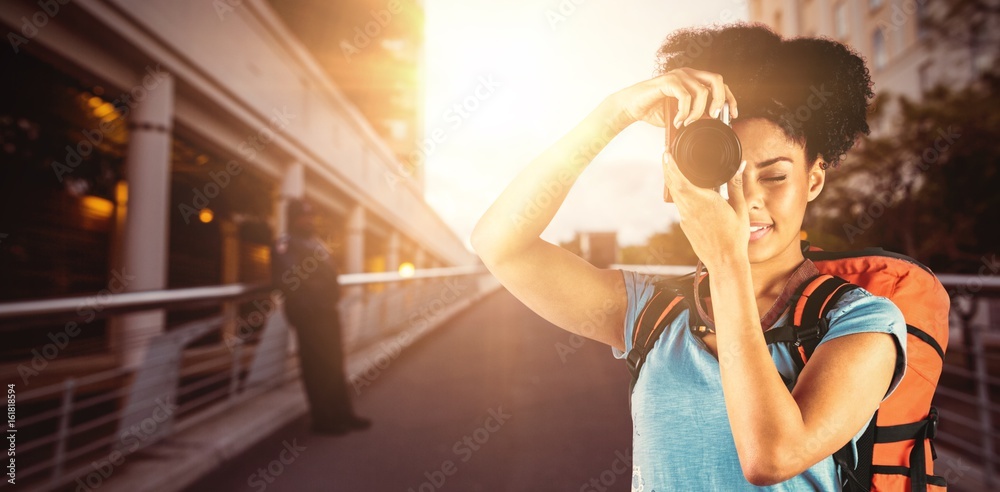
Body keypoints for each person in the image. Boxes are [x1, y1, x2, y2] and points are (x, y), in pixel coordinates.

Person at [471, 23, 908, 489]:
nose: (748, 198)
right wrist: (612, 113)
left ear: (814, 181)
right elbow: (500, 244)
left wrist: (725, 263)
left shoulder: (861, 321)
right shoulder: (651, 311)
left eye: (774, 177)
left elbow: (771, 457)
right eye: (726, 174)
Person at [272, 198, 371, 435]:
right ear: (293, 218)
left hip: (328, 311)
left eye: (311, 215)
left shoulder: (315, 243)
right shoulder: (285, 244)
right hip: (310, 314)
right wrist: (317, 299)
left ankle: (344, 413)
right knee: (316, 368)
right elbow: (290, 279)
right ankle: (323, 420)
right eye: (303, 216)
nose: (309, 220)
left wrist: (329, 295)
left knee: (335, 363)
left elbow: (326, 276)